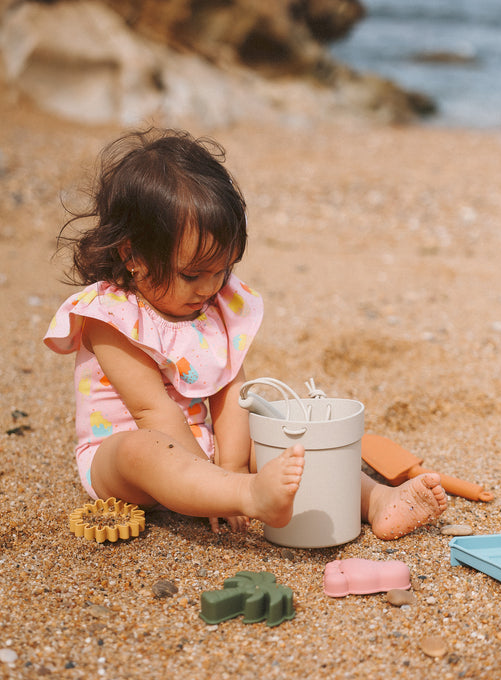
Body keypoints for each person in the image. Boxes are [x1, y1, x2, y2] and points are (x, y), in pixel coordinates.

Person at [44, 128, 447, 539]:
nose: (209, 287)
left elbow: (230, 391)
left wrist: (233, 465)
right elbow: (153, 411)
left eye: (223, 270)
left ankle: (375, 499)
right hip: (126, 462)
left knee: (281, 438)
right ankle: (247, 494)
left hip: (214, 456)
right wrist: (225, 485)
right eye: (192, 273)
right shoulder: (108, 316)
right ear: (131, 254)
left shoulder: (213, 304)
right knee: (141, 449)